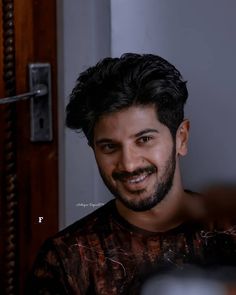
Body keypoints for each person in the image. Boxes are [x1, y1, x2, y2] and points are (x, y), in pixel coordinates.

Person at [26, 53, 236, 295]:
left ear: (182, 138)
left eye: (144, 139)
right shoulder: (66, 260)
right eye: (109, 146)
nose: (128, 164)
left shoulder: (230, 232)